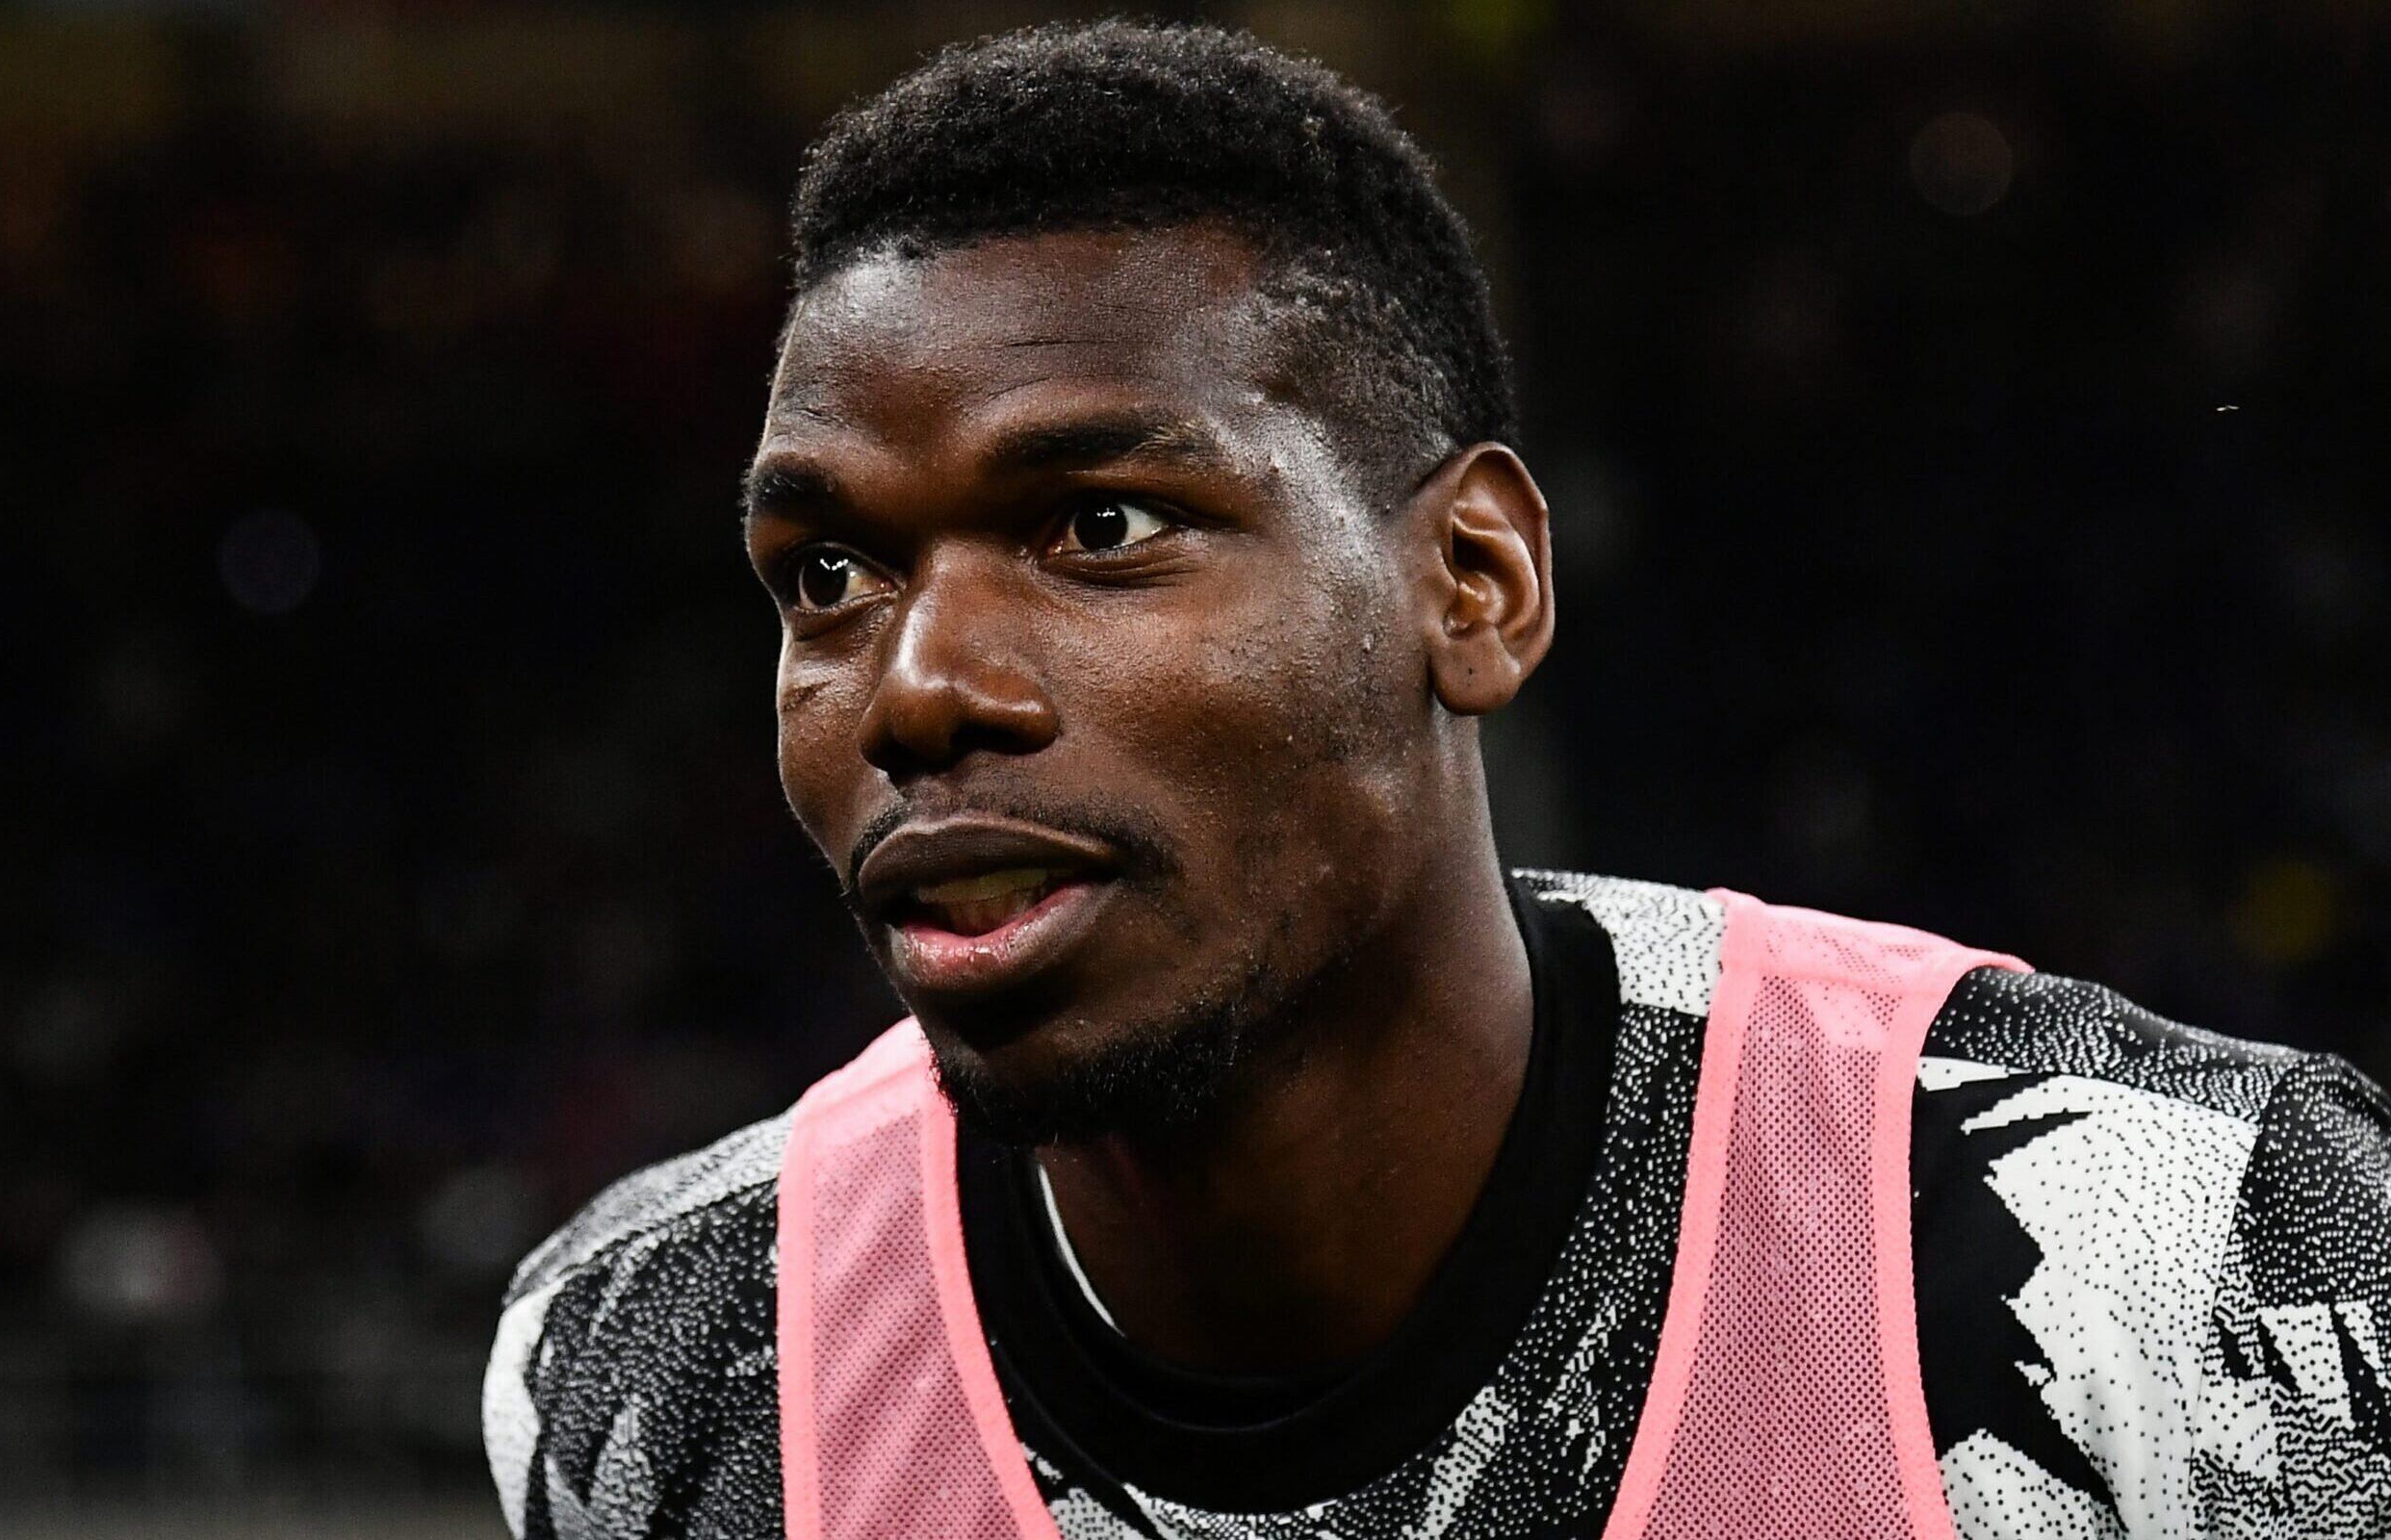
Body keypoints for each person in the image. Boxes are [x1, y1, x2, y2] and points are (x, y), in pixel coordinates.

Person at [481, 21, 2391, 1539]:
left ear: (1471, 584)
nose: (915, 690)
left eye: (1099, 525)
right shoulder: (654, 1361)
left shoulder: (2194, 1262)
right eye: (827, 573)